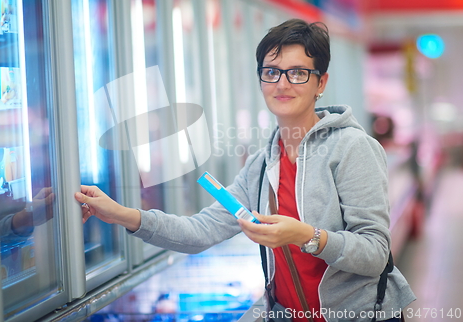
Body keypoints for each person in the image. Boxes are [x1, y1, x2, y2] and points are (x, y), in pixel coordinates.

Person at [75, 19, 415, 322]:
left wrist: (304, 236)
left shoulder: (352, 148)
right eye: (271, 72)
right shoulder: (263, 164)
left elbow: (374, 253)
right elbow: (200, 231)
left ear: (320, 82)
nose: (282, 84)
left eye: (298, 73)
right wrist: (122, 214)